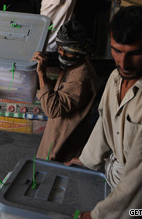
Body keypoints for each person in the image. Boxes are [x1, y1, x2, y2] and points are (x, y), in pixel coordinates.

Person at [65, 6, 142, 219]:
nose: (123, 63)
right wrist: (86, 160)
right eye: (116, 50)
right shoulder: (114, 78)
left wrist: (96, 215)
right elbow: (105, 121)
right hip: (116, 186)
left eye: (134, 53)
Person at [32, 20, 97, 162]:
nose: (60, 53)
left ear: (79, 51)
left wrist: (42, 74)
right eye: (59, 48)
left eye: (66, 51)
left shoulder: (81, 76)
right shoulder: (73, 67)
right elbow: (57, 93)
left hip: (62, 146)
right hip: (55, 138)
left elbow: (53, 109)